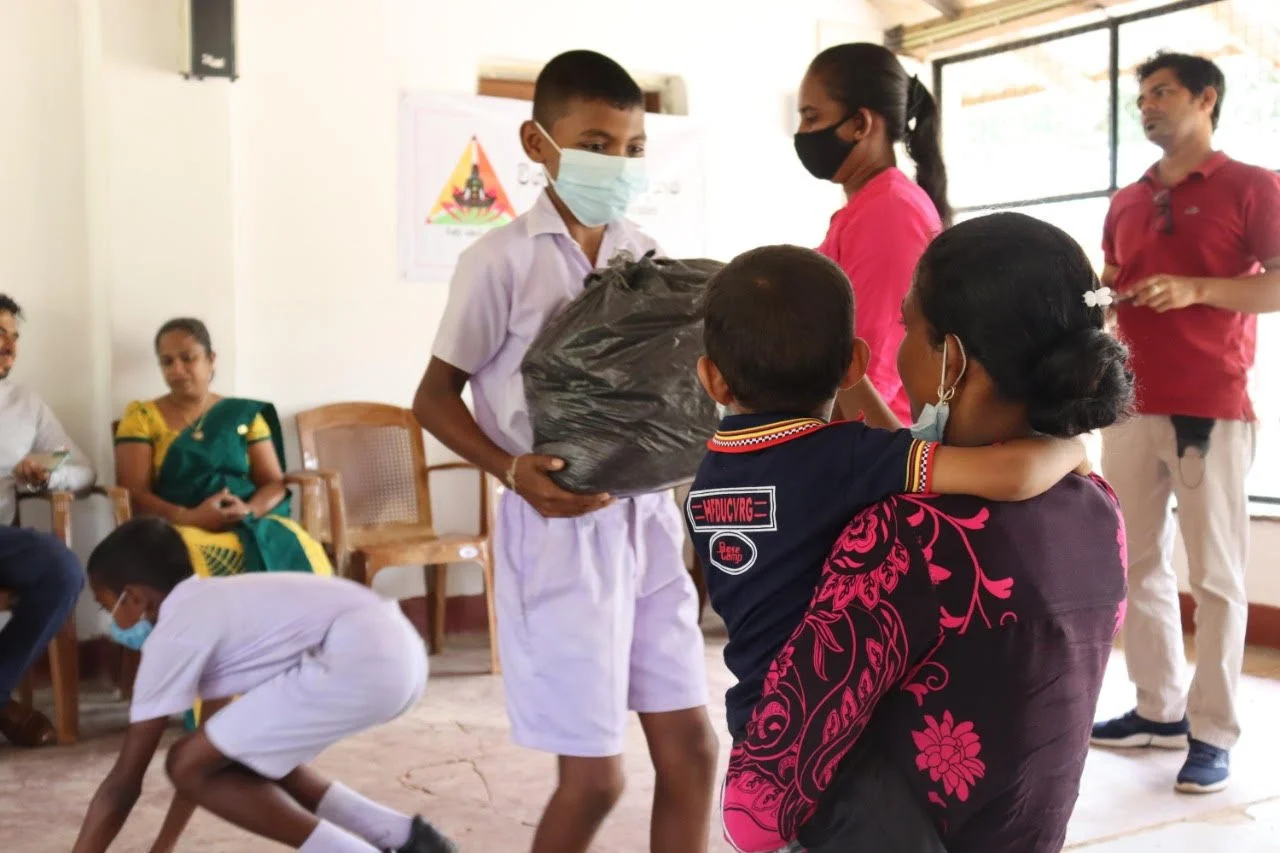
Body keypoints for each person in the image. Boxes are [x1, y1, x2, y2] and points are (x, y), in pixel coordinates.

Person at [720, 213, 1132, 853]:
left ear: (953, 360)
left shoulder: (904, 536)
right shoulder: (1098, 511)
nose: (895, 348)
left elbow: (762, 803)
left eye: (907, 327)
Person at [413, 50, 718, 853]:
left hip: (647, 522)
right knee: (595, 780)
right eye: (595, 144)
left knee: (693, 752)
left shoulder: (643, 254)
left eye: (632, 148)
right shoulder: (499, 262)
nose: (616, 163)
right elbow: (433, 397)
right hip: (556, 529)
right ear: (538, 143)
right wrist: (511, 470)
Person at [688, 244, 1087, 744]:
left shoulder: (711, 474)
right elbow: (1015, 474)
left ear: (711, 378)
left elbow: (881, 454)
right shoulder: (845, 459)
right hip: (826, 728)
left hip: (756, 724)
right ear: (857, 362)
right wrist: (1071, 448)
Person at [1089, 52, 1280, 795]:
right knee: (1134, 563)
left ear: (1207, 98)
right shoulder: (1126, 200)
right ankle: (1158, 709)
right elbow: (1112, 283)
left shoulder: (1252, 186)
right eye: (1141, 96)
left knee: (1218, 577)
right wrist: (1100, 293)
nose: (1147, 106)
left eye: (1162, 92)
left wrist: (1198, 288)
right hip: (1128, 404)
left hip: (1212, 408)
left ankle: (1214, 731)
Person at [71, 517, 455, 853]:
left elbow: (123, 785)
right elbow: (209, 754)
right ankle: (407, 838)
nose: (111, 621)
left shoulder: (174, 634)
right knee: (229, 757)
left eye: (107, 607)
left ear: (134, 597)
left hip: (358, 657)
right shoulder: (213, 601)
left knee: (187, 761)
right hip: (398, 651)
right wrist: (164, 846)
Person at [795, 43, 950, 424]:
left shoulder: (890, 212)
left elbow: (870, 371)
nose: (802, 133)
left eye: (811, 117)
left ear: (860, 124)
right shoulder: (868, 207)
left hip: (877, 441)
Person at [114, 317, 331, 579]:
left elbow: (273, 482)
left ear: (211, 359)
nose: (177, 369)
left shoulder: (243, 415)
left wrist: (249, 510)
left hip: (248, 519)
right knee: (195, 558)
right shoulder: (141, 417)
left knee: (302, 550)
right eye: (167, 362)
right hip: (178, 525)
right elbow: (134, 492)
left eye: (188, 358)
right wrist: (189, 517)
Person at [0, 293, 94, 746]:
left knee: (63, 570)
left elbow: (84, 471)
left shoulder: (25, 403)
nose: (9, 347)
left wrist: (43, 476)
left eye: (14, 337)